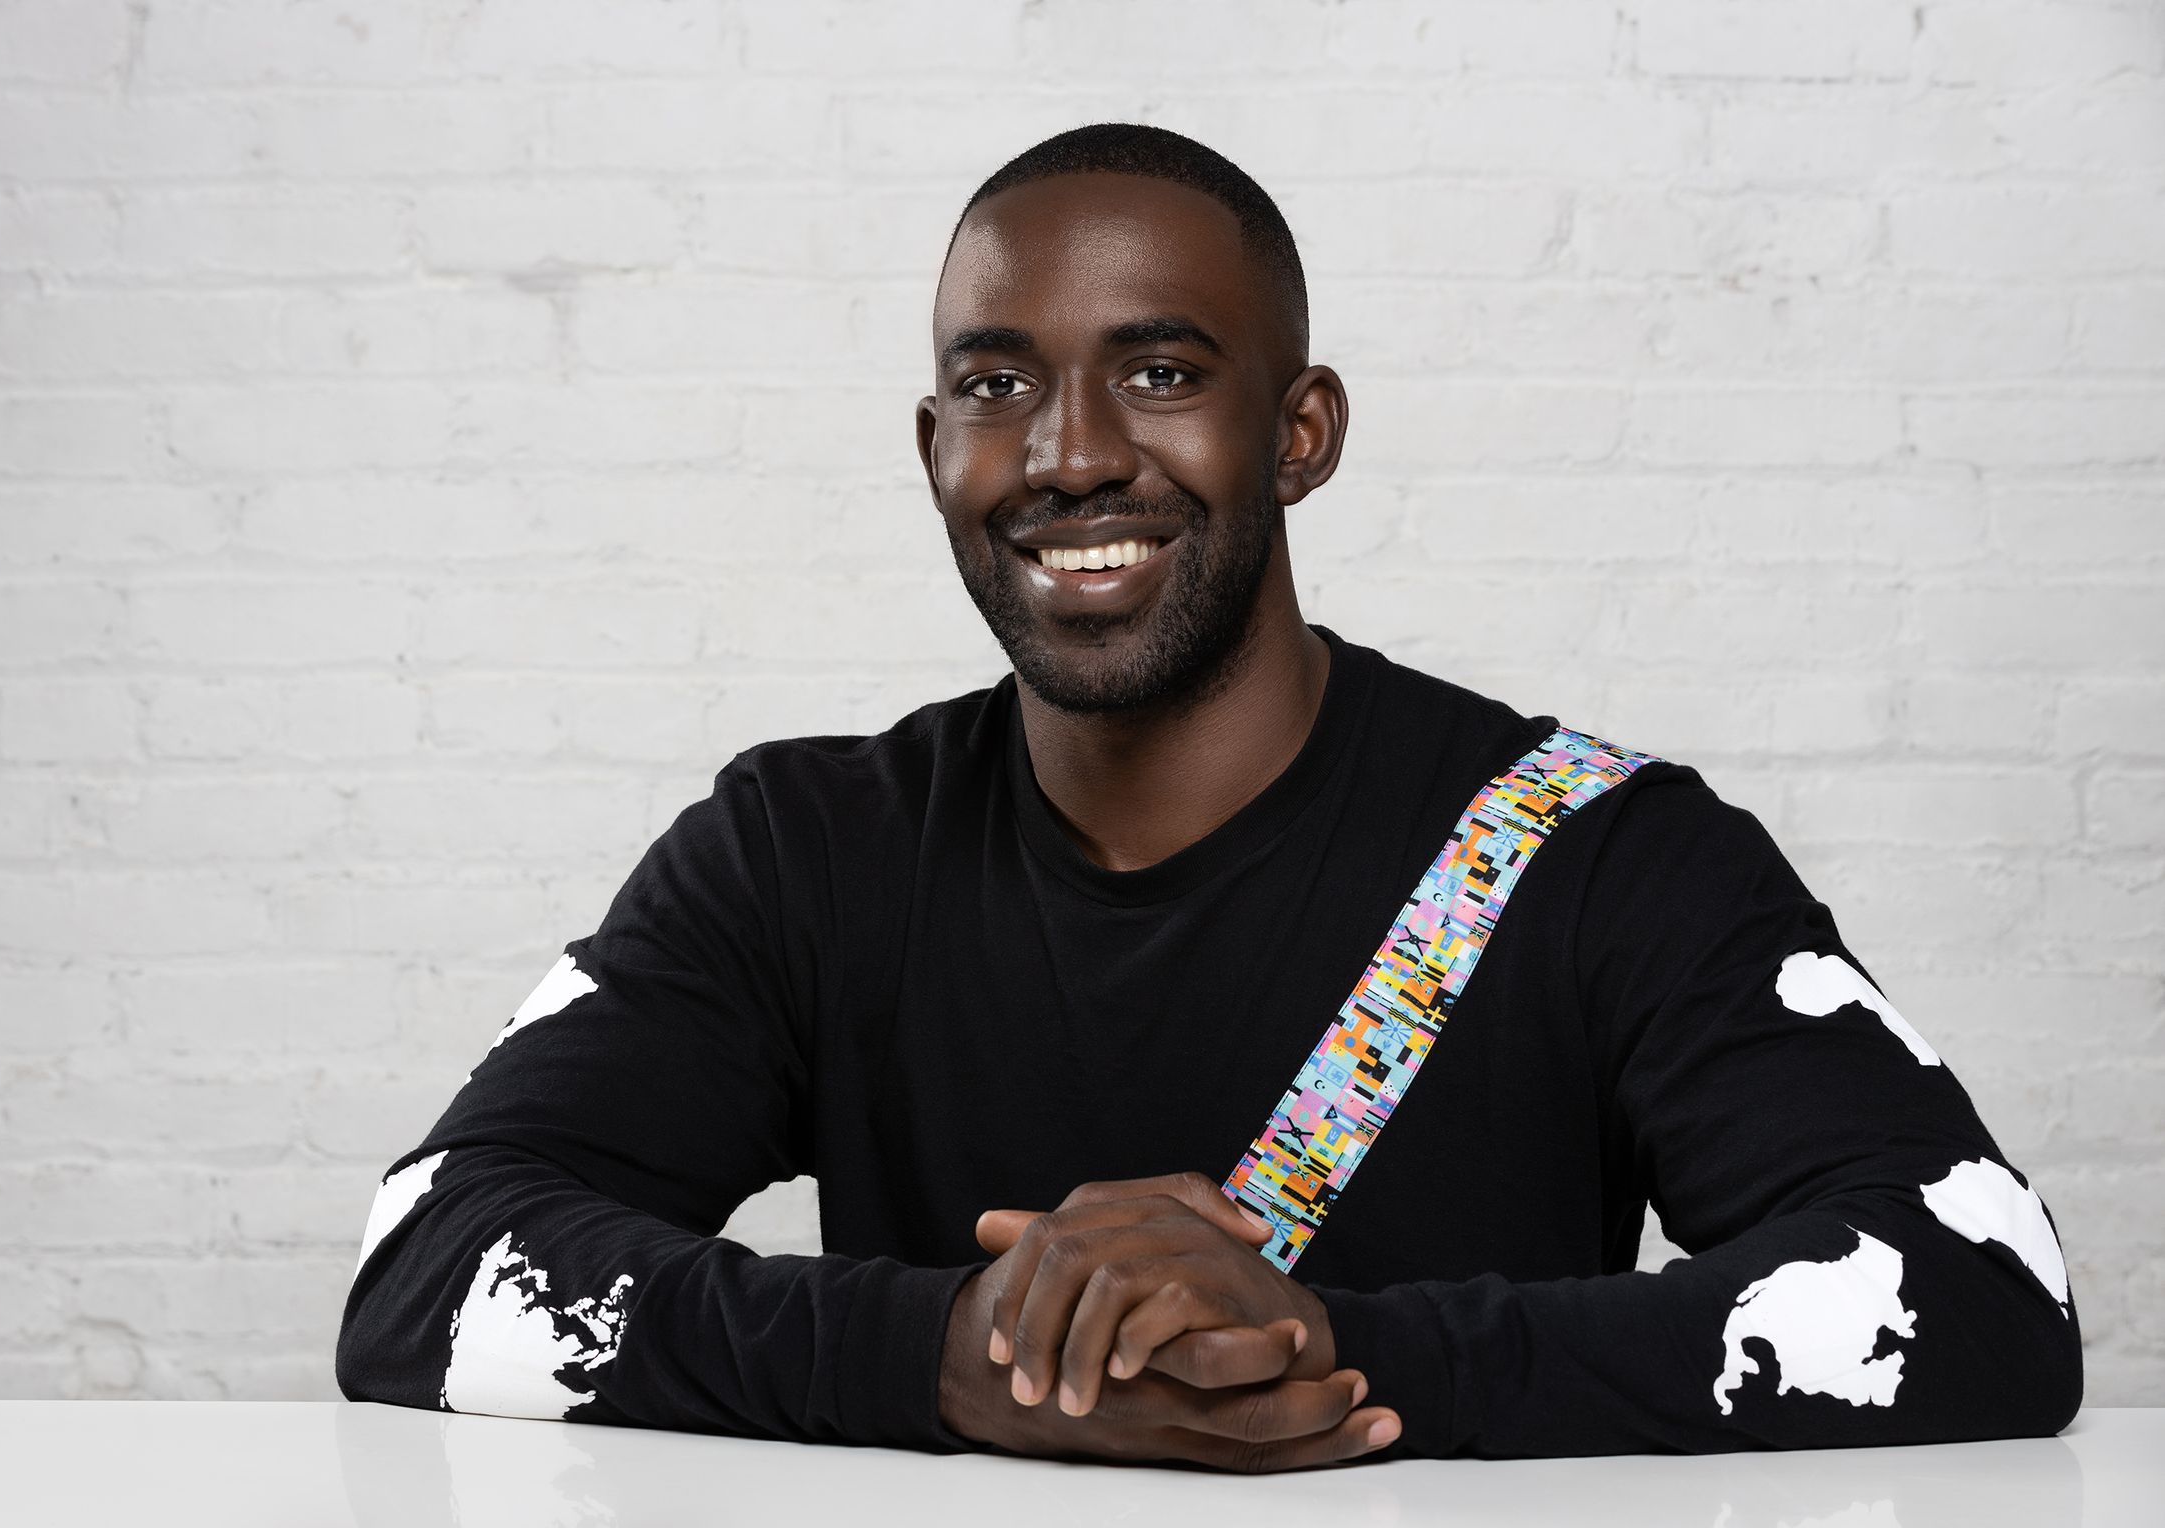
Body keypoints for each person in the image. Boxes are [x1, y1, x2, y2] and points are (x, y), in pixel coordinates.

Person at [335, 124, 2081, 1470]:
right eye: (996, 384)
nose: (1072, 449)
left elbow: (1987, 1295)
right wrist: (962, 1358)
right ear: (935, 445)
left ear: (1301, 432)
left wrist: (1325, 1352)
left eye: (1162, 372)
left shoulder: (1597, 851)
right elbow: (428, 1264)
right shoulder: (804, 852)